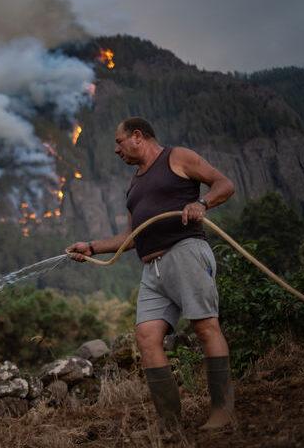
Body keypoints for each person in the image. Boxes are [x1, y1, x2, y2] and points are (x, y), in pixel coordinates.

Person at [67, 117, 236, 431]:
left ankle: (223, 411)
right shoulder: (134, 184)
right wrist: (91, 247)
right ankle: (169, 422)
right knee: (146, 337)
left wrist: (202, 203)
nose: (116, 150)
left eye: (119, 142)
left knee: (205, 327)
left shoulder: (176, 157)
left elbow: (224, 184)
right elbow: (130, 237)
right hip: (152, 269)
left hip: (185, 252)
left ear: (137, 136)